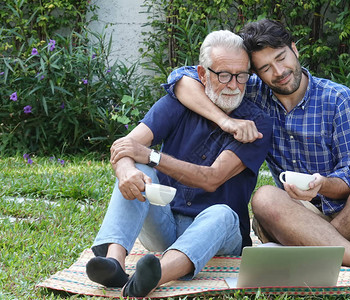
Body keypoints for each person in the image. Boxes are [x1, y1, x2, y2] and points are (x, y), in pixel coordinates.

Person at [165, 19, 350, 280]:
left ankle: (312, 249)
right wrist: (225, 121)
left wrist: (322, 185)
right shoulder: (251, 92)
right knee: (264, 197)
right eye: (265, 68)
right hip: (300, 217)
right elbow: (179, 78)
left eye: (281, 58)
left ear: (295, 49)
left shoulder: (338, 98)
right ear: (255, 73)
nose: (278, 71)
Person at [85, 30, 272, 297]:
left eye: (242, 75)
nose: (234, 84)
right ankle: (114, 264)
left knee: (223, 213)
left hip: (219, 234)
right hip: (167, 223)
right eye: (224, 75)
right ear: (202, 73)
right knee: (138, 170)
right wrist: (126, 170)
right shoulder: (177, 103)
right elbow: (125, 146)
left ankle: (155, 275)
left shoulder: (256, 124)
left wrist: (151, 156)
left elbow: (211, 178)